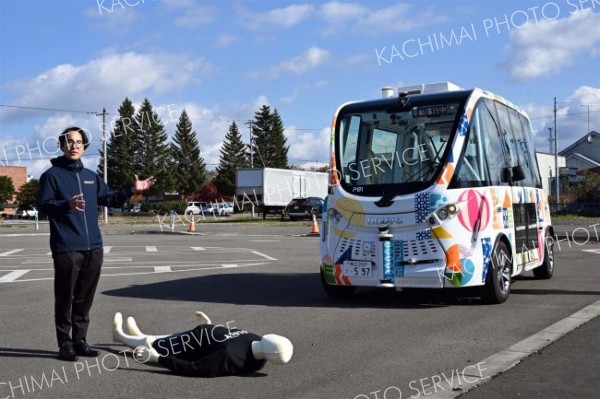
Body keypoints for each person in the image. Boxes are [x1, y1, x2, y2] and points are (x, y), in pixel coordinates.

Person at [39, 126, 156, 361]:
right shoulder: (51, 176)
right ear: (62, 146)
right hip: (67, 247)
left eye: (79, 142)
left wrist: (131, 190)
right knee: (65, 297)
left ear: (84, 147)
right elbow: (45, 206)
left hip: (94, 247)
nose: (74, 146)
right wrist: (66, 205)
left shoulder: (91, 177)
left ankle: (80, 340)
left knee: (85, 297)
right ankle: (65, 344)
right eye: (69, 142)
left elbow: (110, 198)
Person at [112, 311, 294, 377]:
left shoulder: (232, 358)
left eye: (273, 340)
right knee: (158, 338)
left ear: (271, 350)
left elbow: (196, 368)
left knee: (151, 344)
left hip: (185, 349)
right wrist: (209, 325)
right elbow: (228, 333)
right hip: (197, 335)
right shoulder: (254, 338)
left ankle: (120, 336)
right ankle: (140, 335)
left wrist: (158, 359)